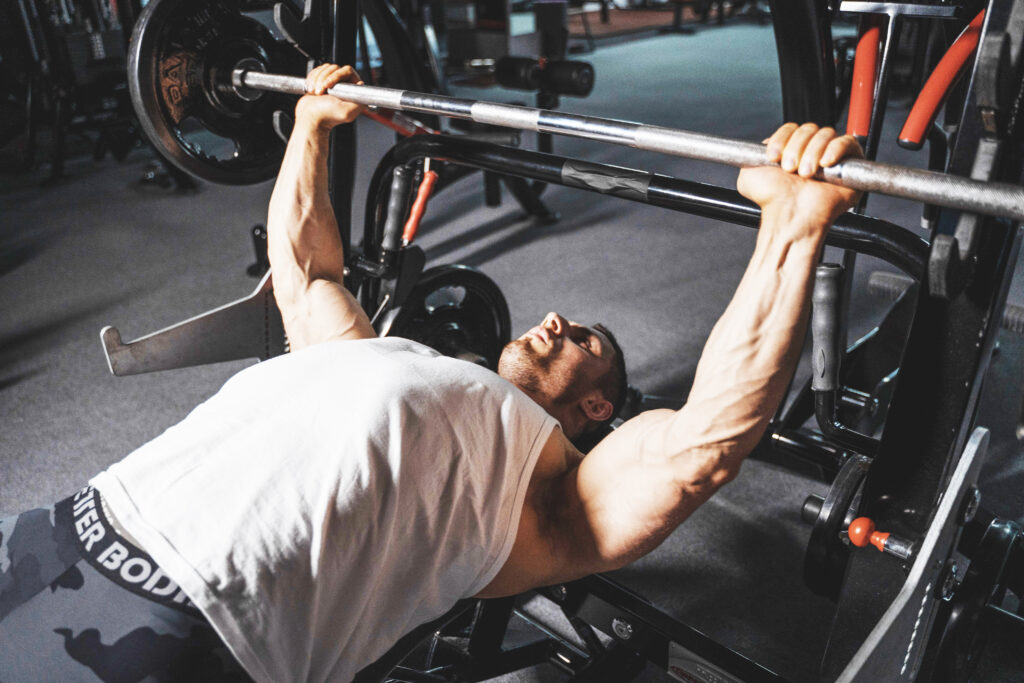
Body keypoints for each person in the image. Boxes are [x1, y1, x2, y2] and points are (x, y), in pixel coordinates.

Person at [0, 63, 862, 682]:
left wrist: (791, 227)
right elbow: (305, 273)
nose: (556, 319)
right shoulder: (372, 353)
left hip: (199, 623)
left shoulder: (549, 501)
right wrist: (309, 126)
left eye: (586, 338)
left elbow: (702, 448)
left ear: (598, 405)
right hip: (70, 521)